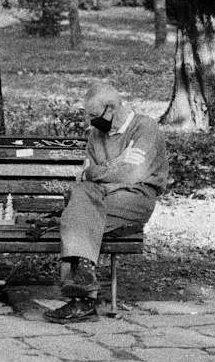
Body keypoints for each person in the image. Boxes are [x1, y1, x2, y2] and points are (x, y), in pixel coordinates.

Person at [45, 81, 168, 325]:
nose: (89, 122)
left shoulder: (145, 127)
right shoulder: (95, 135)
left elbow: (133, 176)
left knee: (77, 208)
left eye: (93, 115)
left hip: (134, 199)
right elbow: (86, 175)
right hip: (98, 199)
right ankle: (83, 295)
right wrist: (116, 164)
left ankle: (82, 299)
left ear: (111, 108)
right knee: (81, 201)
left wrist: (101, 175)